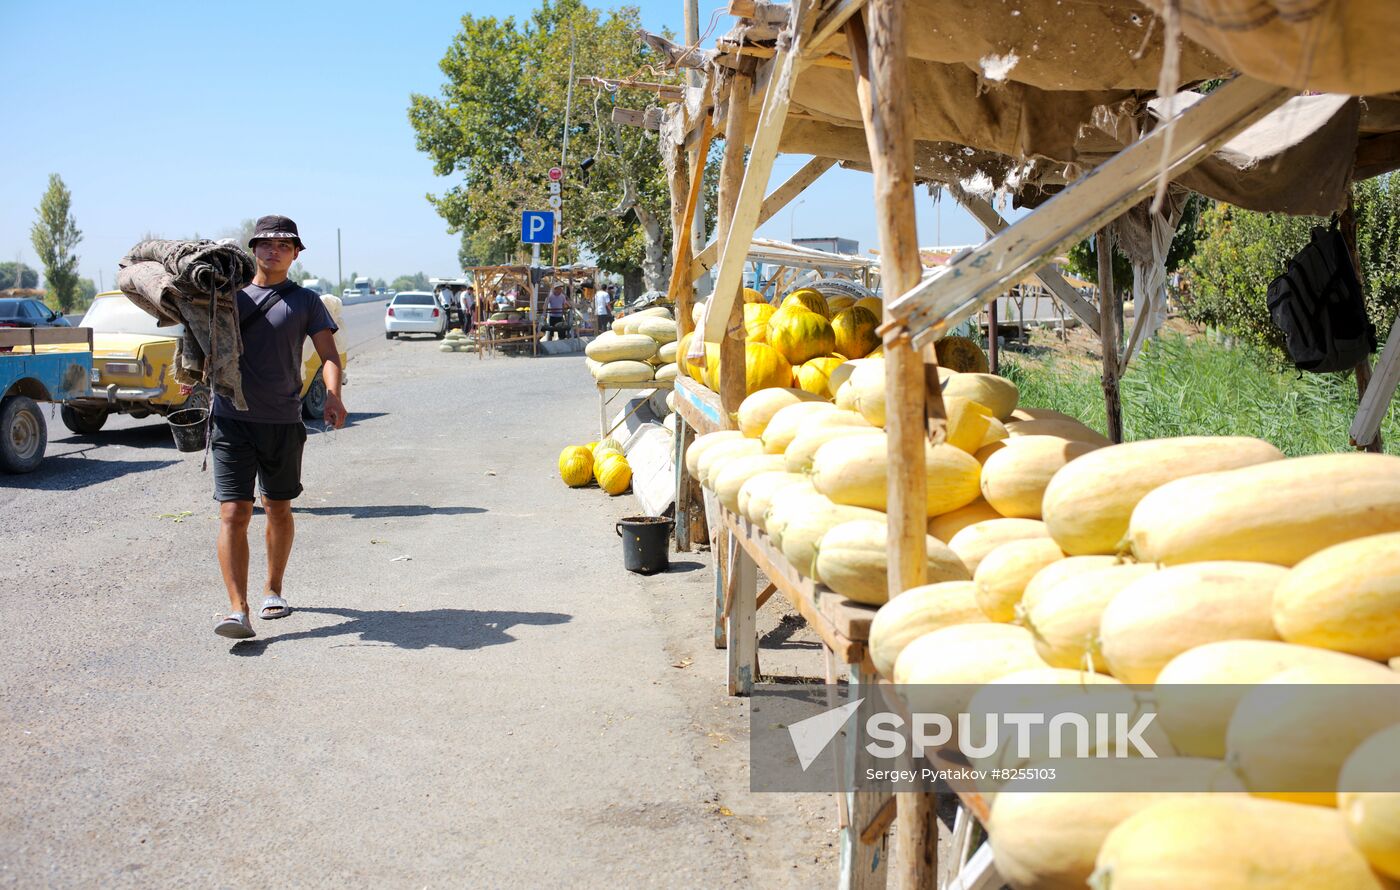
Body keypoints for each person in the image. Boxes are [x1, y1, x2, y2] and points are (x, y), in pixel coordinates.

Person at [212, 214, 346, 640]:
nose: (274, 251)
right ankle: (238, 609)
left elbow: (328, 355)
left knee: (278, 508)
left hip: (283, 420)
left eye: (284, 245)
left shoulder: (306, 302)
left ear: (295, 254)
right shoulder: (227, 295)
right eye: (266, 244)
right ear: (253, 250)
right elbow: (198, 336)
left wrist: (334, 395)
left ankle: (273, 589)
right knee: (234, 512)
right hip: (231, 417)